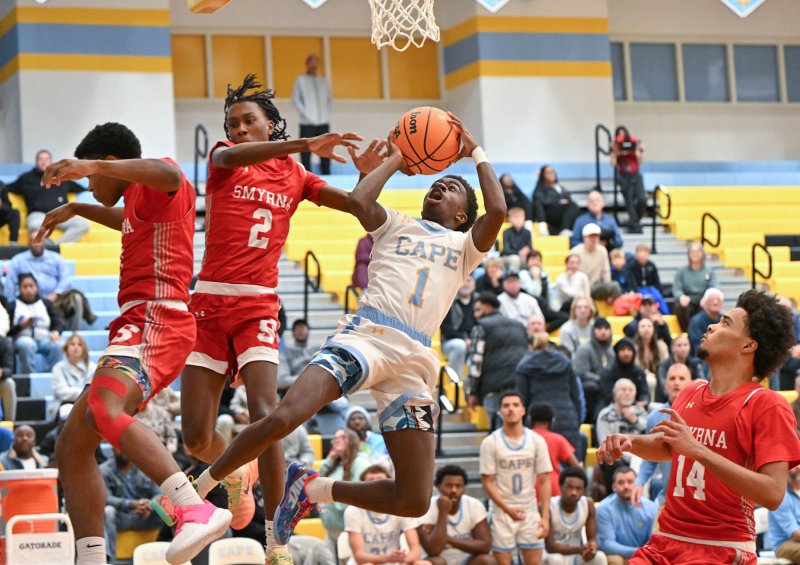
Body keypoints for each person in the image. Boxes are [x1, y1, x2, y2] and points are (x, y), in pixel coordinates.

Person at [187, 114, 506, 549]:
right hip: (365, 337)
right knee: (281, 418)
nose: (440, 186)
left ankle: (313, 489)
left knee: (413, 499)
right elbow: (359, 200)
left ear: (463, 214)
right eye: (438, 181)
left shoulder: (466, 248)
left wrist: (475, 153)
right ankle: (200, 487)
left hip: (412, 361)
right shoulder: (396, 222)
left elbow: (500, 210)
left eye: (451, 188)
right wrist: (397, 157)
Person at [179, 74, 368, 559]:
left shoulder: (297, 176)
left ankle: (274, 539)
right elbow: (230, 156)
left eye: (249, 121)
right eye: (233, 122)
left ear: (270, 124)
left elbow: (355, 206)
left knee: (268, 416)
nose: (239, 129)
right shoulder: (223, 157)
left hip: (258, 305)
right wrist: (306, 141)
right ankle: (236, 469)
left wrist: (372, 175)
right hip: (209, 303)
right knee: (196, 435)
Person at [36, 122, 230, 565]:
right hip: (140, 321)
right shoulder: (137, 203)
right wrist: (82, 208)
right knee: (72, 444)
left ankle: (192, 507)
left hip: (156, 317)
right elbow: (127, 220)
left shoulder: (161, 179)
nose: (89, 181)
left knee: (106, 410)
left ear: (108, 162)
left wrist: (89, 165)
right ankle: (91, 557)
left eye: (92, 175)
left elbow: (171, 176)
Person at [598, 289, 800, 564]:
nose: (711, 325)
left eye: (725, 323)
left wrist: (699, 451)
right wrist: (630, 442)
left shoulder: (765, 404)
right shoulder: (692, 390)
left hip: (721, 547)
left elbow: (774, 494)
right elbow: (668, 448)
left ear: (748, 346)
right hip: (665, 540)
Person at [480, 391, 552, 565]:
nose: (511, 409)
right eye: (506, 405)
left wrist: (545, 517)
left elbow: (545, 480)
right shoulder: (490, 442)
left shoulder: (537, 441)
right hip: (502, 512)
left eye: (515, 405)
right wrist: (507, 509)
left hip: (529, 509)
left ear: (523, 410)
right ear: (500, 412)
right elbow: (487, 482)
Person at [631, 363, 692, 512]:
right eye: (672, 378)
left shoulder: (702, 414)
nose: (676, 382)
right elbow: (650, 456)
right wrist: (639, 482)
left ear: (690, 383)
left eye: (681, 378)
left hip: (696, 499)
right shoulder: (655, 416)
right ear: (665, 384)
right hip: (667, 498)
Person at [345, 465, 430, 565]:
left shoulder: (400, 508)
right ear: (363, 487)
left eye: (380, 481)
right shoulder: (353, 511)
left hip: (393, 561)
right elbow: (359, 556)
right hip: (368, 562)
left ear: (389, 486)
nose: (375, 486)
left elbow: (416, 551)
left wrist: (401, 559)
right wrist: (387, 559)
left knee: (424, 564)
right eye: (370, 481)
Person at [4, 240, 95, 331]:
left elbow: (66, 278)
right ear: (29, 243)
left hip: (55, 299)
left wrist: (56, 293)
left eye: (39, 241)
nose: (36, 244)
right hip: (29, 301)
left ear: (44, 242)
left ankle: (74, 335)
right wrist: (12, 306)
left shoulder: (56, 258)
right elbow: (10, 284)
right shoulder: (18, 260)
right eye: (34, 241)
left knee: (76, 297)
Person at [468, 291, 528, 428]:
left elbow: (476, 361)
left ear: (488, 308)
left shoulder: (481, 326)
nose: (475, 314)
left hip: (493, 387)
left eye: (478, 309)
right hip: (519, 385)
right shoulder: (519, 325)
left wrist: (471, 391)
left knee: (498, 434)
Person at [515, 335, 581, 452]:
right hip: (567, 418)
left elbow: (521, 399)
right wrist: (576, 420)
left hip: (537, 420)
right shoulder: (565, 362)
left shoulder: (524, 366)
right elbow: (576, 396)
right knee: (569, 464)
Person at [417, 465, 494, 565]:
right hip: (440, 559)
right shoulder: (426, 508)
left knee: (487, 560)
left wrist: (448, 539)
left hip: (467, 560)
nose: (454, 490)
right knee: (436, 562)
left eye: (458, 486)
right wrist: (443, 513)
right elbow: (433, 550)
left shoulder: (474, 505)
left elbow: (485, 546)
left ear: (464, 488)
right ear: (438, 486)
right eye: (449, 485)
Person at [8, 149, 89, 242]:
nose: (44, 162)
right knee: (34, 225)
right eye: (41, 159)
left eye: (46, 159)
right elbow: (8, 188)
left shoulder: (61, 176)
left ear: (51, 161)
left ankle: (57, 248)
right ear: (36, 161)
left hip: (61, 214)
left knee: (83, 224)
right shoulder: (26, 178)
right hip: (39, 215)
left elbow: (81, 188)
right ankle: (53, 248)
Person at [102, 448, 163, 562]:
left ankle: (175, 555)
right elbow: (105, 498)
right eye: (118, 447)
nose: (122, 450)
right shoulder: (104, 470)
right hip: (121, 517)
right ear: (112, 449)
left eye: (125, 447)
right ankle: (109, 561)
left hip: (146, 516)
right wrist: (130, 504)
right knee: (107, 511)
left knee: (169, 509)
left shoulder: (145, 467)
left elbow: (160, 493)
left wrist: (150, 505)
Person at [544, 467, 607, 565]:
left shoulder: (588, 504)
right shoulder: (549, 506)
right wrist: (579, 549)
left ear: (583, 491)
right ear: (561, 487)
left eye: (578, 489)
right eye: (570, 487)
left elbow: (592, 539)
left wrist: (591, 549)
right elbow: (550, 546)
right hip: (551, 555)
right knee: (556, 560)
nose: (574, 492)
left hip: (576, 555)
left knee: (600, 557)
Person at [319, 428, 371, 545]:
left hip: (352, 531)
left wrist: (329, 501)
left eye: (342, 437)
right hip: (333, 530)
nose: (336, 440)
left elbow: (361, 493)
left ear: (352, 440)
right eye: (335, 438)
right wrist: (329, 460)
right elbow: (316, 481)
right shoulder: (335, 464)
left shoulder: (360, 462)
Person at [596, 467, 657, 564]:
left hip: (642, 557)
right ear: (613, 487)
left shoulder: (651, 507)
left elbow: (653, 541)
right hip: (617, 555)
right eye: (621, 482)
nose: (626, 486)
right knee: (614, 560)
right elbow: (607, 545)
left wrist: (642, 554)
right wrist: (638, 551)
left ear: (638, 484)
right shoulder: (603, 508)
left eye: (630, 482)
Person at [8, 273, 63, 373]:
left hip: (45, 339)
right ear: (19, 289)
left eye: (31, 286)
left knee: (58, 345)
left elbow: (58, 322)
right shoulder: (13, 306)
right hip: (22, 339)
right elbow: (7, 330)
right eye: (25, 287)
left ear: (36, 287)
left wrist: (56, 332)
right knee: (26, 344)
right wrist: (21, 326)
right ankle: (29, 378)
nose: (28, 290)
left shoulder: (46, 303)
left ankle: (53, 376)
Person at [292, 54, 333, 175]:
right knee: (306, 152)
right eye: (312, 62)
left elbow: (329, 99)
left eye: (316, 62)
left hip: (323, 123)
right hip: (307, 123)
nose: (314, 65)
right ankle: (306, 176)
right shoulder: (300, 80)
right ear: (307, 64)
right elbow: (296, 100)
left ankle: (327, 176)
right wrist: (306, 114)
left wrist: (325, 114)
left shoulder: (323, 81)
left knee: (326, 150)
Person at [529, 403, 580, 496]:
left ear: (530, 420)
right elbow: (576, 466)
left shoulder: (523, 439)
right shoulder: (558, 439)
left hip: (527, 486)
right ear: (552, 421)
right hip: (552, 487)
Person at [572, 318, 614, 426]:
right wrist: (600, 380)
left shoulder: (612, 350)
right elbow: (581, 372)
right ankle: (591, 420)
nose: (603, 332)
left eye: (606, 328)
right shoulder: (584, 349)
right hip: (592, 385)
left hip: (608, 384)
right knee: (591, 387)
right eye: (599, 329)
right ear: (593, 331)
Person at [672, 242, 718, 331]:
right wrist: (681, 297)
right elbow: (676, 289)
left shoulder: (709, 271)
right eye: (692, 252)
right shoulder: (681, 271)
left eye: (697, 252)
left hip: (703, 301)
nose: (695, 254)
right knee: (680, 307)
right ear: (688, 254)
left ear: (702, 254)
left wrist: (706, 298)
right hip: (688, 301)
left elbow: (713, 287)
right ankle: (688, 332)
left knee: (711, 306)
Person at [571, 224, 621, 302]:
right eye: (591, 236)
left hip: (596, 287)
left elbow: (606, 271)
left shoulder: (602, 251)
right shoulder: (575, 251)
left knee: (615, 286)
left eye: (596, 236)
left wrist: (607, 288)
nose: (593, 239)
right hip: (579, 287)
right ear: (584, 237)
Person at [610, 127, 646, 234]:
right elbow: (613, 163)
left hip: (636, 174)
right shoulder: (616, 146)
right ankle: (635, 224)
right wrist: (615, 151)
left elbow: (640, 161)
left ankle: (634, 221)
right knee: (629, 200)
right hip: (624, 176)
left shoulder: (633, 145)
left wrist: (640, 150)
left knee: (642, 200)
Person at [51, 333, 96, 418]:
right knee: (67, 412)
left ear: (84, 349)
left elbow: (94, 392)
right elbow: (61, 392)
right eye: (72, 344)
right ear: (66, 348)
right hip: (64, 403)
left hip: (86, 404)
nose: (76, 347)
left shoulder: (93, 368)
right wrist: (83, 393)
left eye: (79, 345)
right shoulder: (58, 367)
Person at [440, 277, 476, 378]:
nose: (466, 284)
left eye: (469, 281)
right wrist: (464, 338)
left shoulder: (478, 301)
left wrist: (473, 340)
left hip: (473, 342)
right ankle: (455, 383)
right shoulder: (449, 301)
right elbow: (446, 329)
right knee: (460, 345)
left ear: (474, 285)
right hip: (449, 342)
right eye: (464, 280)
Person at [598, 339, 649, 409]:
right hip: (611, 407)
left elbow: (644, 392)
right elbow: (608, 395)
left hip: (637, 408)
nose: (626, 353)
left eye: (629, 350)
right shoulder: (608, 371)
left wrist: (643, 401)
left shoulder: (639, 371)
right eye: (622, 350)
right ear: (617, 353)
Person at [654, 334, 704, 403]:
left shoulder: (695, 364)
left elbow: (702, 384)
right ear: (672, 348)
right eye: (679, 345)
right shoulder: (663, 366)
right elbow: (664, 390)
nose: (683, 348)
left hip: (690, 402)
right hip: (665, 402)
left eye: (685, 345)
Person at [532, 165, 580, 237]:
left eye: (552, 171)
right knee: (572, 206)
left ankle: (567, 231)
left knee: (576, 208)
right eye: (548, 172)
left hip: (562, 213)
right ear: (543, 175)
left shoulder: (559, 187)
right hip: (550, 212)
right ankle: (564, 229)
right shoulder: (541, 188)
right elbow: (540, 200)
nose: (551, 174)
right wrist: (559, 201)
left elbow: (568, 199)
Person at [766, 464, 800, 563]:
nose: (798, 467)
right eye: (795, 464)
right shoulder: (780, 496)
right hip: (784, 544)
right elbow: (795, 534)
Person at [633, 317, 668, 400]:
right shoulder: (634, 347)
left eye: (649, 326)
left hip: (660, 376)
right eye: (643, 326)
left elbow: (665, 364)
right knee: (651, 381)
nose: (646, 329)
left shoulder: (661, 345)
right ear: (638, 330)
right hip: (642, 378)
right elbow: (636, 367)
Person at [278, 319, 318, 392]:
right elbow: (282, 380)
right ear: (293, 333)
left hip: (320, 391)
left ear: (308, 331)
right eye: (297, 328)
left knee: (341, 403)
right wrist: (307, 380)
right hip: (298, 392)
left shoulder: (317, 351)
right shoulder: (286, 353)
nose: (300, 331)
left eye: (302, 327)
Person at [628, 244, 665, 313]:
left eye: (644, 253)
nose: (642, 256)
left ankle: (665, 314)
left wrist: (658, 291)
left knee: (658, 296)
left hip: (651, 289)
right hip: (638, 289)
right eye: (640, 253)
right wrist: (634, 291)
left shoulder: (652, 265)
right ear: (636, 254)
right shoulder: (632, 266)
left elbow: (656, 281)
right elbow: (631, 282)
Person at [687, 287, 724, 355]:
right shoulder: (696, 321)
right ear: (705, 303)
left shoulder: (724, 320)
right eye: (712, 300)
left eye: (718, 300)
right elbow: (698, 346)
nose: (715, 302)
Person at [501, 207, 532, 271]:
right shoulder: (506, 232)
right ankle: (513, 277)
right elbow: (506, 250)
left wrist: (527, 250)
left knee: (531, 260)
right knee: (515, 259)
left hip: (522, 256)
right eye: (516, 217)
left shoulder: (527, 232)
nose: (519, 219)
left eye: (521, 217)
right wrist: (518, 253)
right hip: (508, 257)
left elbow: (530, 247)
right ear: (510, 219)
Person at [0, 180, 20, 244]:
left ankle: (13, 243)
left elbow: (8, 206)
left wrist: (1, 205)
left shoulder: (1, 185)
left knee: (14, 213)